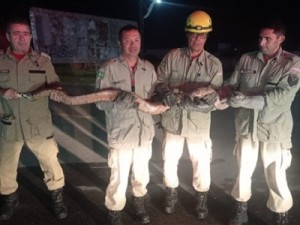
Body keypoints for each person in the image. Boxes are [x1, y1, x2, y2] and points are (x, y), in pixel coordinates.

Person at [224, 19, 300, 225]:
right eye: (260, 38)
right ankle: (240, 207)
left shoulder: (292, 63)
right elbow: (231, 84)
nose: (262, 43)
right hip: (246, 126)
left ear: (281, 39)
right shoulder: (247, 59)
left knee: (276, 173)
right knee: (243, 169)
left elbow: (282, 97)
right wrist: (222, 94)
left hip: (274, 129)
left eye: (268, 38)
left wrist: (245, 100)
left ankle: (280, 213)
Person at [153, 10, 223, 220]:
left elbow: (215, 94)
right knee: (170, 160)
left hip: (198, 125)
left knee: (201, 163)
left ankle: (201, 198)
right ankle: (171, 194)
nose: (197, 38)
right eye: (193, 34)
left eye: (202, 35)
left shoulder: (214, 64)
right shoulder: (172, 56)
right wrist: (163, 91)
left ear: (207, 36)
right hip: (173, 121)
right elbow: (158, 81)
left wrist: (213, 96)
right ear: (187, 34)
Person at [0, 18, 67, 220]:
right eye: (17, 34)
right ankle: (10, 199)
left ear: (31, 36)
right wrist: (2, 91)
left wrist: (54, 90)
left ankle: (57, 199)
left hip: (39, 125)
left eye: (26, 33)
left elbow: (55, 84)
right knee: (5, 167)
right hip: (9, 124)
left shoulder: (43, 60)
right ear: (8, 37)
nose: (22, 38)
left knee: (51, 164)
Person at [95, 24, 157, 225]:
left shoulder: (149, 68)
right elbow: (98, 102)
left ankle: (138, 202)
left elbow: (155, 97)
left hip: (144, 133)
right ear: (119, 43)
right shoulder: (108, 68)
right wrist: (114, 102)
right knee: (119, 177)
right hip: (121, 134)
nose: (133, 45)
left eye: (136, 40)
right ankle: (114, 210)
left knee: (141, 174)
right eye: (128, 41)